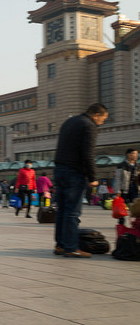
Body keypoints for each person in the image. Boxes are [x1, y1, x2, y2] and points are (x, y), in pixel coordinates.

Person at [53, 103, 108, 258]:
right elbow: (88, 154)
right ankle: (71, 248)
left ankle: (60, 245)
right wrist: (92, 177)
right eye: (103, 119)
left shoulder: (70, 121)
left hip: (60, 169)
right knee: (72, 212)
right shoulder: (89, 125)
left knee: (62, 211)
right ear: (96, 115)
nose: (102, 123)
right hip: (74, 173)